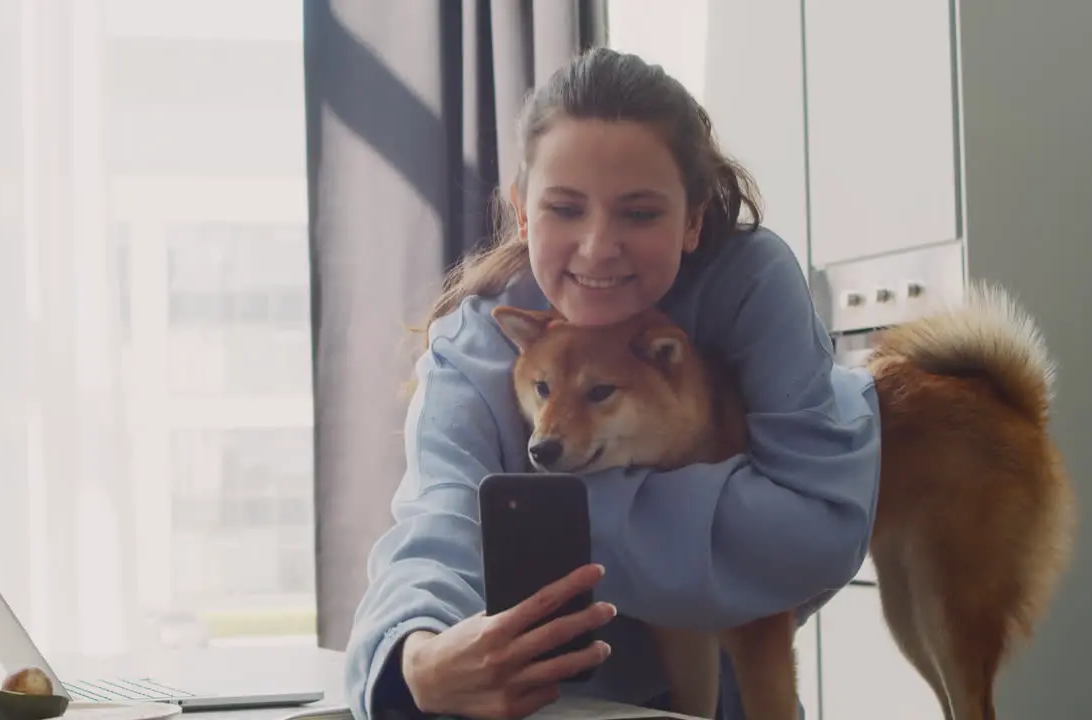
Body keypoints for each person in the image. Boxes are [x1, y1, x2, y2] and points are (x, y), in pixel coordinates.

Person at [342, 47, 881, 720]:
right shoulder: (478, 346)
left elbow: (817, 528)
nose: (598, 246)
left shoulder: (749, 284)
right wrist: (414, 661)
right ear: (522, 211)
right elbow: (439, 525)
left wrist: (549, 527)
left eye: (639, 213)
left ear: (691, 219)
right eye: (565, 208)